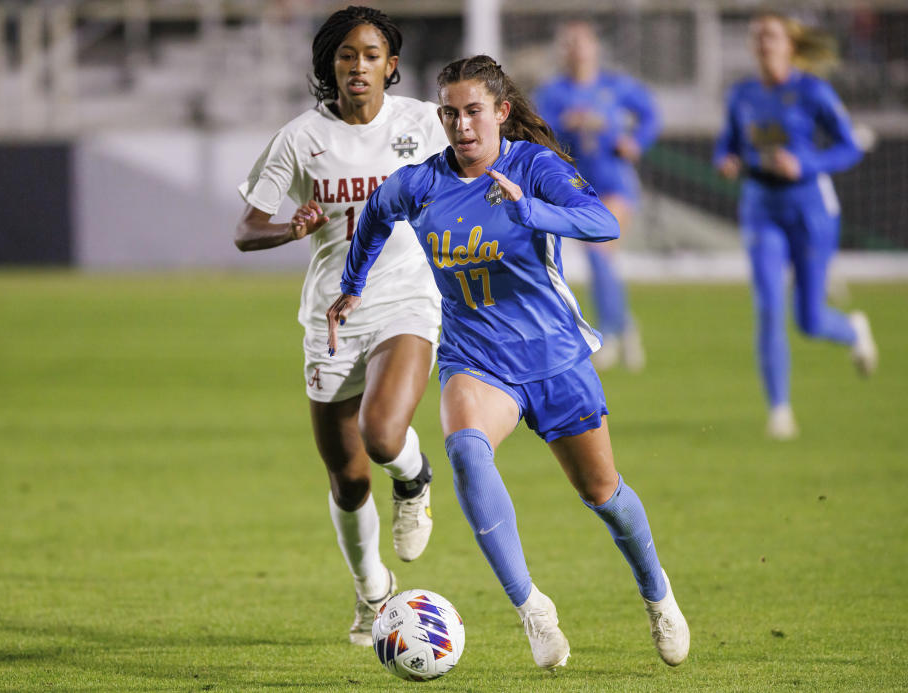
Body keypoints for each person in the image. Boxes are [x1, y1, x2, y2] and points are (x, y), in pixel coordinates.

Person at [327, 55, 689, 671]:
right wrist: (352, 284)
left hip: (553, 357)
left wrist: (533, 212)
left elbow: (601, 223)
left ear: (501, 112)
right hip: (476, 357)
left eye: (473, 111)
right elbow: (377, 215)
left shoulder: (535, 166)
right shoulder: (422, 183)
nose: (462, 125)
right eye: (450, 112)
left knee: (602, 492)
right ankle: (533, 611)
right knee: (466, 450)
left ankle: (657, 594)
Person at [234, 6, 450, 646]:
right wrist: (290, 228)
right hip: (331, 316)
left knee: (383, 435)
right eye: (346, 55)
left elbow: (474, 165)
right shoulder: (302, 138)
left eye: (371, 54)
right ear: (331, 66)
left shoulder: (422, 123)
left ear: (392, 65)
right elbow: (245, 228)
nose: (359, 66)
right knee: (348, 476)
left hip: (406, 300)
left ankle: (414, 479)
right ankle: (371, 593)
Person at [714, 12, 878, 440]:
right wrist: (726, 160)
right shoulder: (743, 94)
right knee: (768, 306)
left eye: (771, 35)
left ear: (790, 44)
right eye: (757, 36)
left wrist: (805, 164)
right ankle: (780, 411)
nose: (763, 42)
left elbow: (848, 147)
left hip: (810, 210)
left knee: (808, 319)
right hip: (761, 207)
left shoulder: (812, 91)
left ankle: (853, 329)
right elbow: (727, 143)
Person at [534, 21, 660, 372]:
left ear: (594, 47)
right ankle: (624, 324)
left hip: (616, 184)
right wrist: (565, 125)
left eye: (581, 42)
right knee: (602, 260)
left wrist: (636, 142)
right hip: (576, 189)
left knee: (599, 251)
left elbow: (650, 115)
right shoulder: (553, 93)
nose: (575, 49)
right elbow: (541, 134)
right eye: (568, 43)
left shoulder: (615, 86)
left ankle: (609, 334)